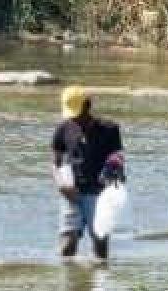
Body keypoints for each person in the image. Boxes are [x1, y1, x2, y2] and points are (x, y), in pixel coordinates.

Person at [51, 86, 125, 260]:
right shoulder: (64, 128)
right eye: (72, 114)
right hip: (71, 193)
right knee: (67, 247)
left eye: (78, 113)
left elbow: (117, 160)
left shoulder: (109, 129)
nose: (75, 118)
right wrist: (61, 186)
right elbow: (56, 162)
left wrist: (110, 189)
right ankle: (71, 283)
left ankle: (99, 280)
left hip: (99, 195)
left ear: (88, 106)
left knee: (99, 245)